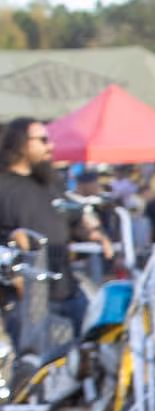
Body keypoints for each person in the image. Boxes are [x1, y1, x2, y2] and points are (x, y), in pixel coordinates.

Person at [0, 118, 90, 341]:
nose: (50, 146)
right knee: (35, 367)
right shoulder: (3, 186)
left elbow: (72, 219)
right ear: (21, 143)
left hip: (67, 289)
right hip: (26, 298)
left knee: (81, 359)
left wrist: (93, 231)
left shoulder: (50, 182)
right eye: (42, 140)